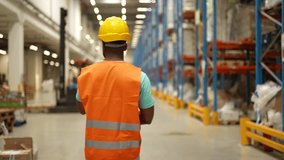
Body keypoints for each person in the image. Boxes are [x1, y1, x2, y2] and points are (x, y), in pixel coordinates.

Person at [76, 16, 154, 160]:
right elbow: (148, 117)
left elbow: (82, 109)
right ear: (125, 46)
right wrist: (128, 117)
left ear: (102, 45)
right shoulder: (140, 77)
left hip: (95, 155)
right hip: (128, 154)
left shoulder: (86, 75)